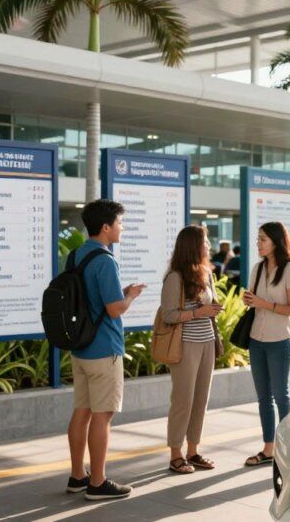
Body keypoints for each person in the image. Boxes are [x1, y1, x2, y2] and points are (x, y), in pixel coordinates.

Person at [66, 199, 146, 501]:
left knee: (82, 411)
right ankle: (97, 482)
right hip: (104, 350)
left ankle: (77, 476)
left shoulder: (75, 256)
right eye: (120, 223)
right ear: (105, 227)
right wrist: (131, 297)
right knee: (103, 415)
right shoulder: (106, 260)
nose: (121, 228)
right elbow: (113, 310)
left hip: (81, 347)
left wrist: (121, 294)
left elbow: (89, 299)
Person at [160, 225, 224, 475]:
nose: (208, 246)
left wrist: (214, 308)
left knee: (200, 400)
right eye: (205, 241)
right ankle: (175, 454)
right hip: (185, 345)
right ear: (192, 245)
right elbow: (168, 315)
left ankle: (193, 451)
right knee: (183, 400)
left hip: (207, 342)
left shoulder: (206, 273)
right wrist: (198, 312)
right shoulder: (175, 276)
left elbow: (211, 303)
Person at [242, 222, 290, 467]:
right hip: (257, 339)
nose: (258, 243)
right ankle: (268, 448)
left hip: (280, 340)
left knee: (280, 395)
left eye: (262, 239)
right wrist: (249, 300)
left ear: (276, 242)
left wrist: (262, 303)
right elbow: (252, 301)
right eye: (258, 239)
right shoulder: (257, 268)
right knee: (263, 397)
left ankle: (289, 448)